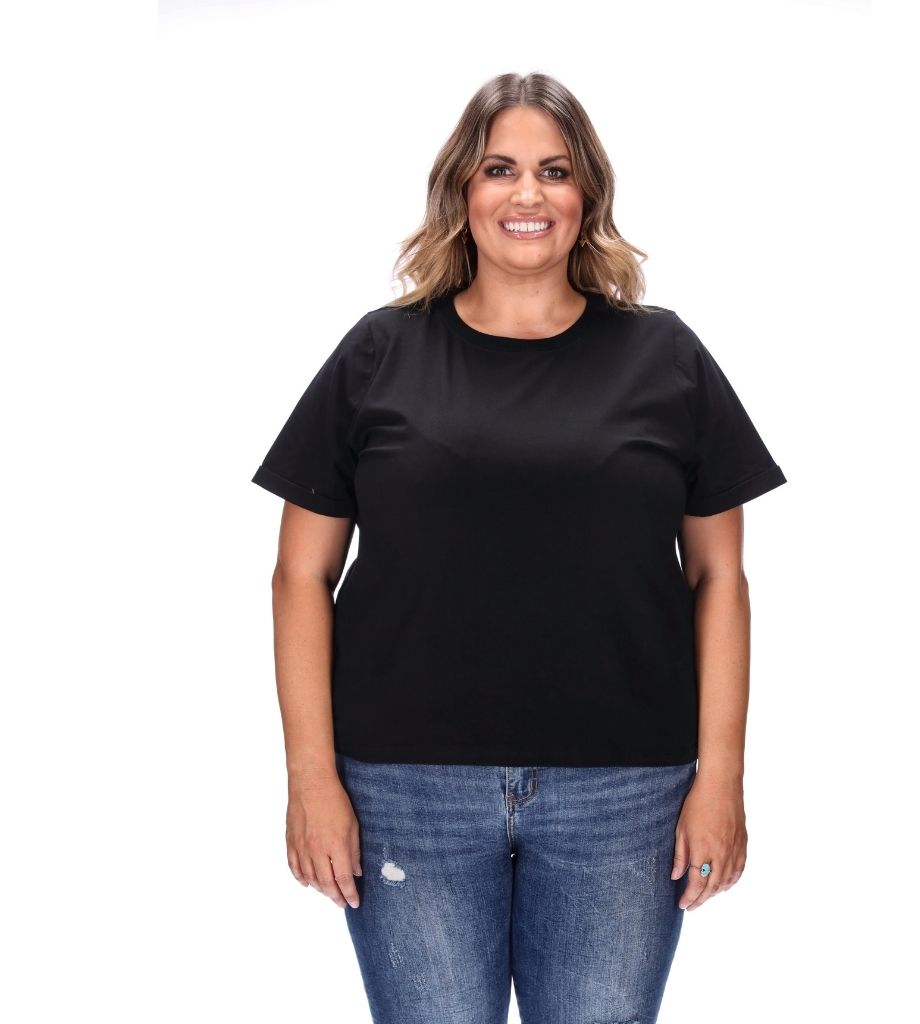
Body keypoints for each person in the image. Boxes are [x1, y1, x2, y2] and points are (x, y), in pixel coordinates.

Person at [251, 71, 787, 1024]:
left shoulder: (665, 357)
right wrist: (311, 778)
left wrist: (723, 779)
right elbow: (300, 574)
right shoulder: (380, 353)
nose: (527, 193)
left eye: (555, 170)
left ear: (589, 195)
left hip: (625, 794)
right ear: (462, 188)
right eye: (500, 168)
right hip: (405, 788)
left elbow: (719, 577)